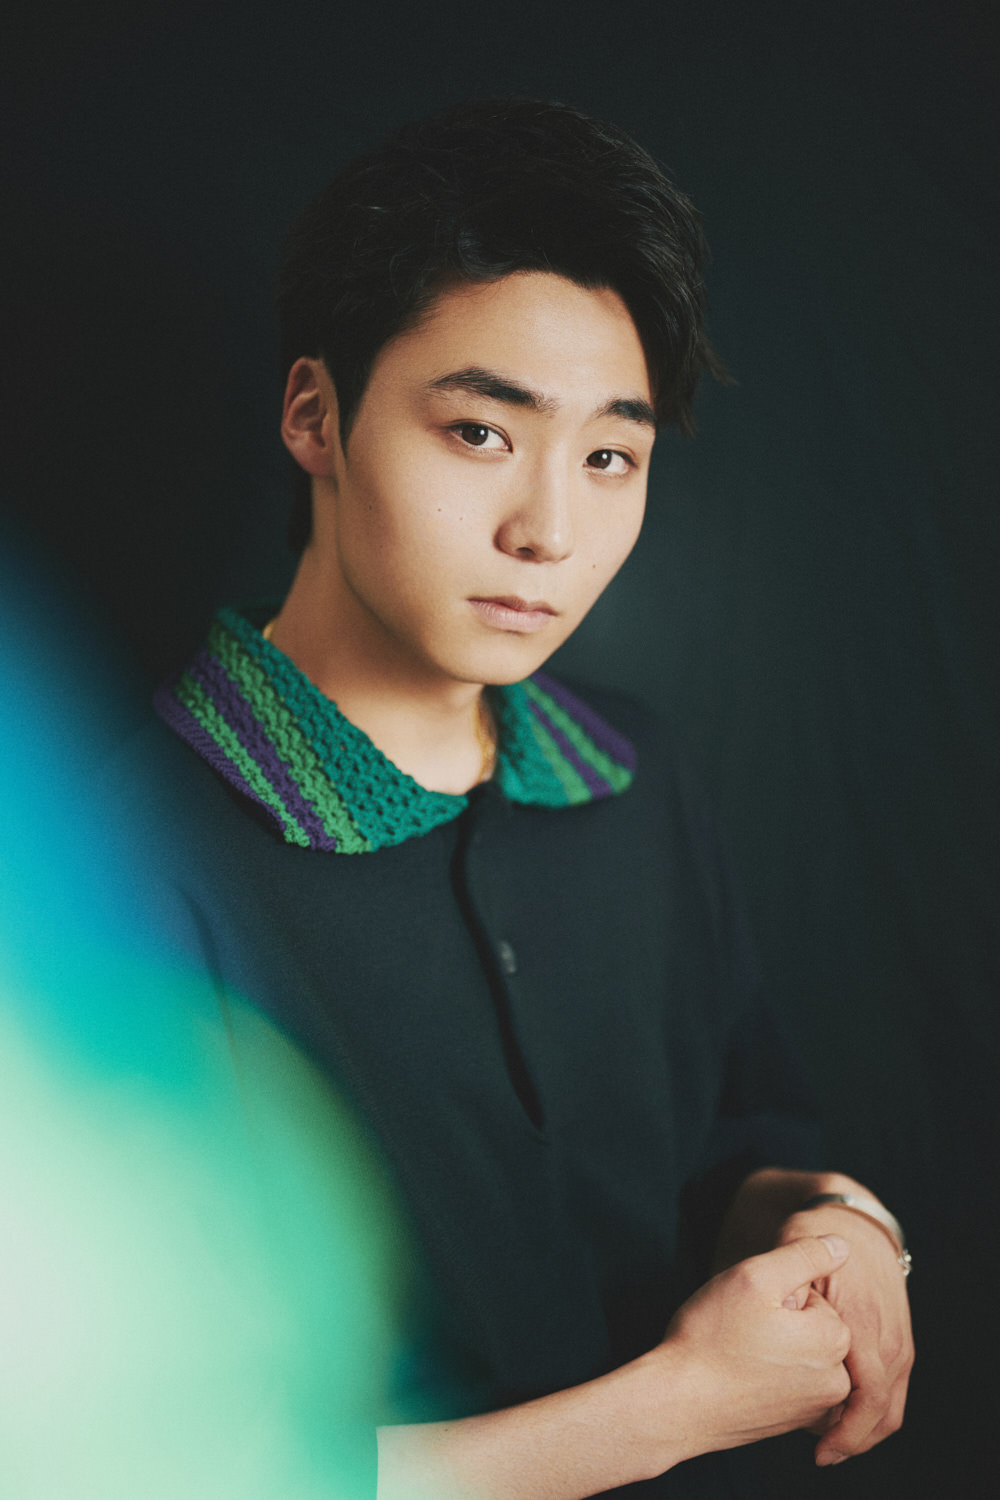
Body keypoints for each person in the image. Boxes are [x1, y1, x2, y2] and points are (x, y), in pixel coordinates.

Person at [132, 99, 913, 1497]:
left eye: (609, 455)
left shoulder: (632, 774)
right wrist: (673, 1408)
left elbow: (738, 1142)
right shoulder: (121, 855)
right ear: (317, 415)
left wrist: (839, 1226)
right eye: (482, 432)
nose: (549, 531)